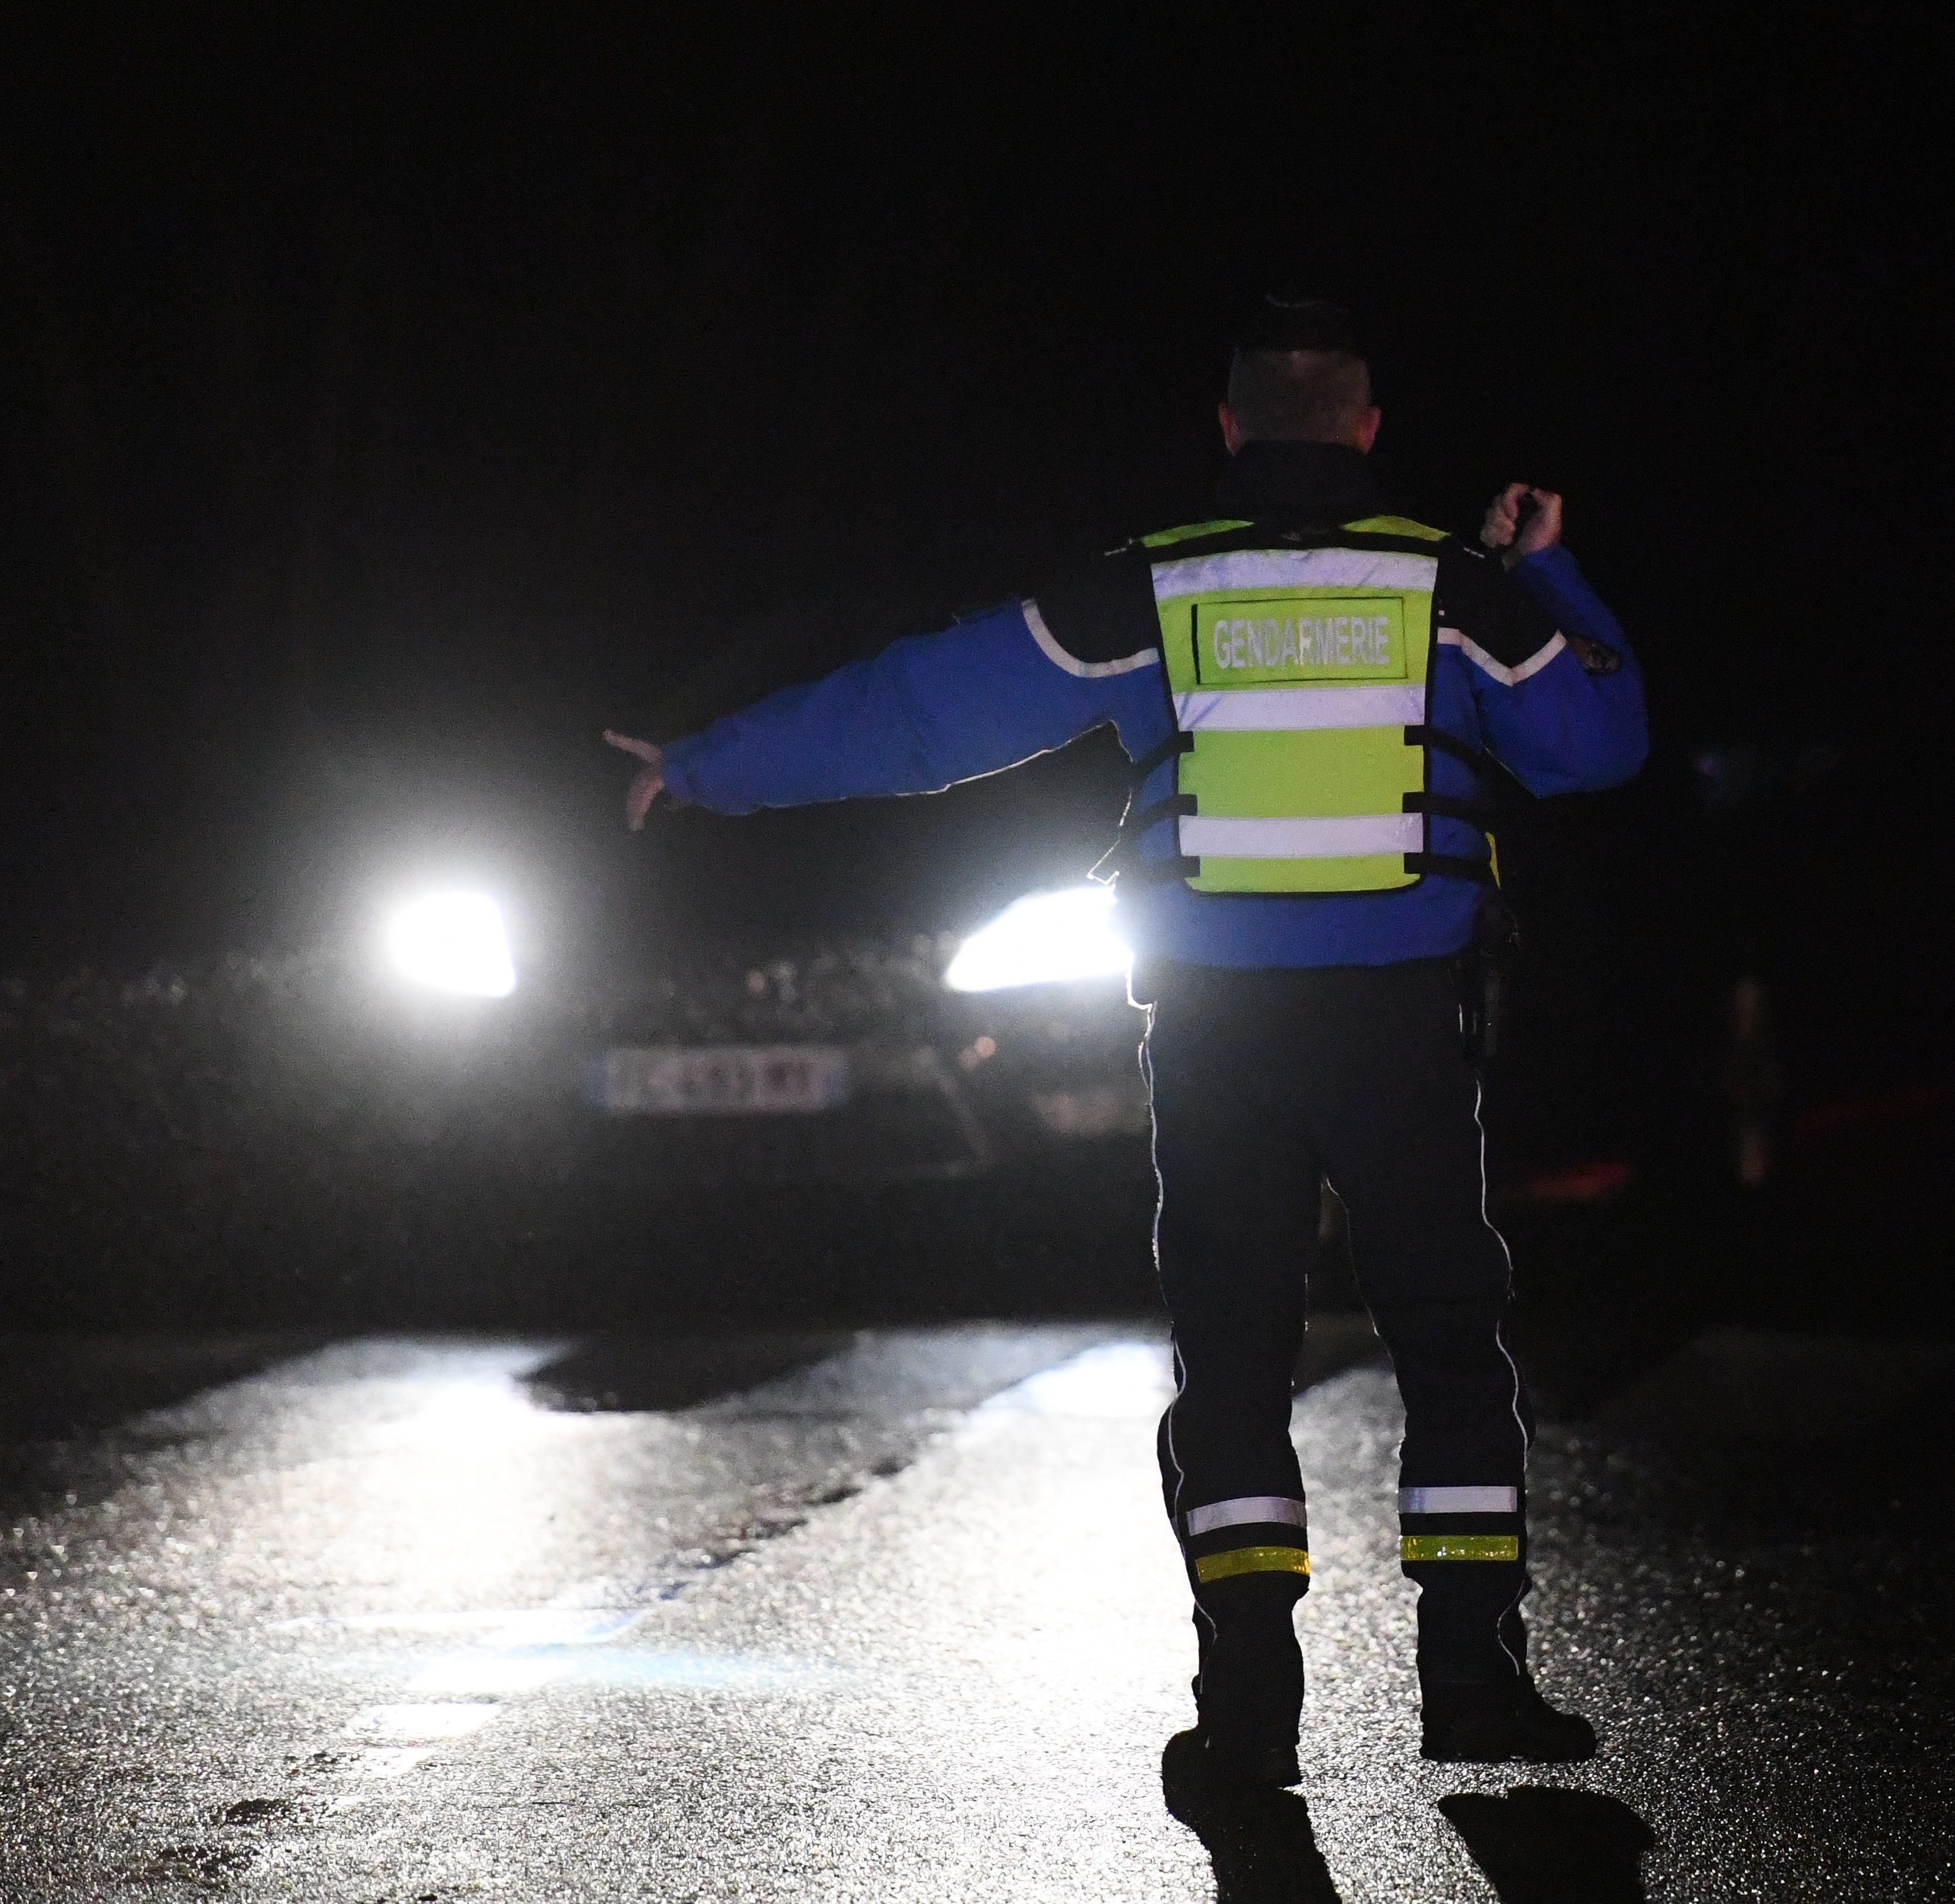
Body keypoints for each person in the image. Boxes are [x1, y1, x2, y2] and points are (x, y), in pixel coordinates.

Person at [608, 298, 1647, 1788]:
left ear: (1226, 431)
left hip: (1218, 1038)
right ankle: (1472, 1684)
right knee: (1446, 1346)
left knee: (1230, 1360)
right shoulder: (1453, 588)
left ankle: (1247, 1712)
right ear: (1366, 429)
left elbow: (920, 715)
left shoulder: (1147, 592)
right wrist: (1547, 565)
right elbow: (1599, 748)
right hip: (1400, 1036)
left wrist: (706, 768)